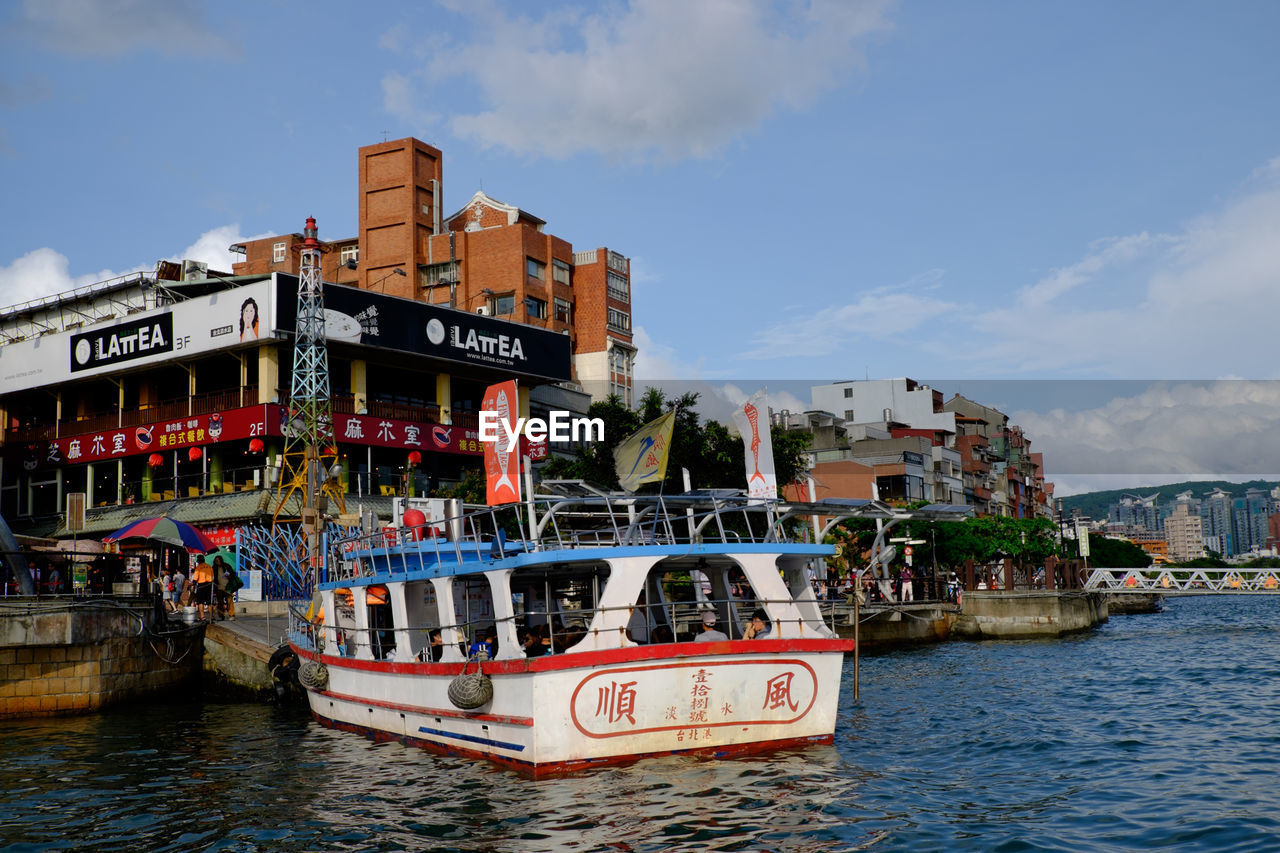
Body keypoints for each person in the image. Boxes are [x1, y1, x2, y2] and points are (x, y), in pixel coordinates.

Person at [190, 555, 214, 620]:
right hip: (209, 585)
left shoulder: (198, 568)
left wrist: (193, 586)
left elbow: (195, 579)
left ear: (198, 561)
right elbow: (212, 576)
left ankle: (202, 616)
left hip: (201, 586)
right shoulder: (209, 566)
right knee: (209, 602)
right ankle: (211, 617)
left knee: (200, 602)